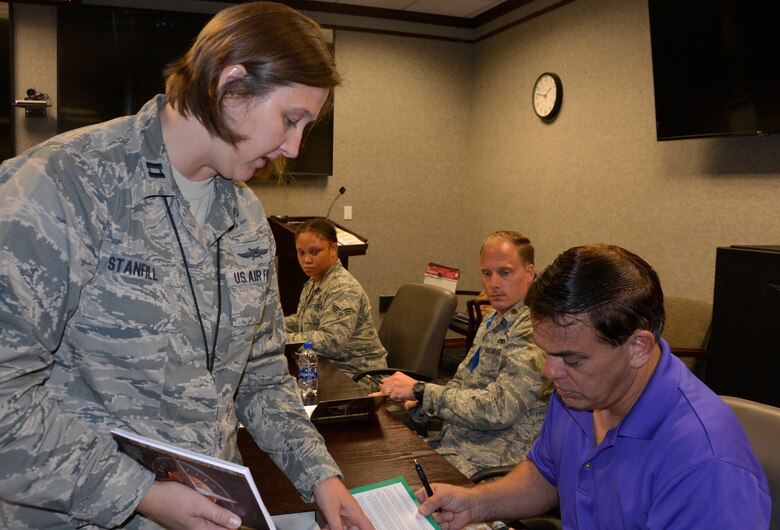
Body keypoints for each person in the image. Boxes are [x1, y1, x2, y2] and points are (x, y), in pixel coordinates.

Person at [0, 3, 374, 529]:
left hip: (213, 509)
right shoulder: (67, 185)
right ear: (232, 85)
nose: (292, 145)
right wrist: (142, 494)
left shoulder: (245, 218)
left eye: (305, 128)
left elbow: (262, 379)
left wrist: (320, 475)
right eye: (290, 120)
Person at [416, 244, 771, 529]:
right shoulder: (580, 393)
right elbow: (546, 472)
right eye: (546, 354)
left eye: (571, 359)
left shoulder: (706, 465)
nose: (551, 373)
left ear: (637, 347)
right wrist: (477, 503)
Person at [376, 231, 549, 477]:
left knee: (384, 486)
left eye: (505, 272)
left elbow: (499, 409)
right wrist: (420, 403)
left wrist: (421, 391)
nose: (494, 283)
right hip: (456, 443)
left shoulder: (534, 327)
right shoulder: (493, 318)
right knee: (374, 465)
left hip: (490, 464)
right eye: (487, 274)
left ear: (530, 273)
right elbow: (461, 383)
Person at [284, 217, 388, 377]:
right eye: (301, 253)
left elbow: (331, 341)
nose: (307, 260)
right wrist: (272, 326)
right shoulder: (316, 281)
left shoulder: (342, 287)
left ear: (333, 249)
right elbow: (303, 322)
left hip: (359, 375)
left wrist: (281, 340)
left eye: (315, 252)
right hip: (329, 367)